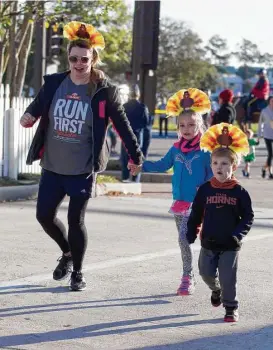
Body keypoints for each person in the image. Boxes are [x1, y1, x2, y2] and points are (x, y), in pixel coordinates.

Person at [20, 21, 142, 291]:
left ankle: (78, 271)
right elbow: (38, 105)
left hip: (83, 167)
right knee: (43, 216)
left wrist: (135, 155)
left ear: (93, 59)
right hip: (53, 165)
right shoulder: (55, 83)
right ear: (68, 58)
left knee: (76, 220)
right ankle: (67, 252)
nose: (78, 63)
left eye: (84, 59)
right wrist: (29, 115)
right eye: (73, 58)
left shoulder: (104, 91)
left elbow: (122, 124)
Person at [131, 88, 212, 295]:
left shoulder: (205, 151)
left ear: (200, 125)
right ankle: (188, 276)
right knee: (183, 239)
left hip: (201, 203)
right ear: (177, 127)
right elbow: (162, 165)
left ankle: (211, 273)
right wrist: (142, 166)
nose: (187, 129)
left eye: (192, 125)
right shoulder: (176, 148)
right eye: (182, 125)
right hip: (180, 203)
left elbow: (213, 175)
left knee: (205, 240)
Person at [187, 123, 254, 322]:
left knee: (228, 278)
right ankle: (215, 290)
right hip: (208, 241)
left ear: (233, 167)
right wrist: (192, 231)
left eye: (224, 164)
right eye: (216, 163)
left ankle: (231, 307)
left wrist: (238, 235)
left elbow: (248, 216)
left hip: (230, 244)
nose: (219, 167)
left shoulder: (239, 192)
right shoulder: (206, 189)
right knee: (205, 273)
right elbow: (196, 212)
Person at [120, 84, 149, 182]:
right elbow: (146, 125)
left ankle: (125, 178)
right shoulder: (142, 107)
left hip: (126, 136)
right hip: (137, 136)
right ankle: (135, 179)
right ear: (138, 94)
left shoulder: (124, 107)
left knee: (125, 158)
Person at [258, 96, 273, 179]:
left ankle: (264, 168)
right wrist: (259, 135)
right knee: (270, 154)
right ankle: (270, 172)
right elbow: (260, 123)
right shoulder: (264, 111)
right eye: (272, 101)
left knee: (272, 155)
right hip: (267, 135)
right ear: (269, 101)